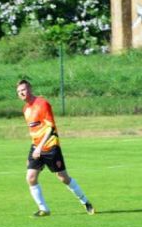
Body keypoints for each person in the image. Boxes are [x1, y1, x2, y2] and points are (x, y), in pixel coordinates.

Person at [17, 77, 94, 217]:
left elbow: (50, 128)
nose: (21, 93)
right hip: (36, 147)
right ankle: (44, 209)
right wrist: (35, 148)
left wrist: (40, 147)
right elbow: (35, 130)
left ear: (30, 89)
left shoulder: (42, 104)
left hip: (50, 146)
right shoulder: (26, 109)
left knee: (63, 177)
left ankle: (85, 201)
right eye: (19, 91)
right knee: (31, 177)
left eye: (24, 90)